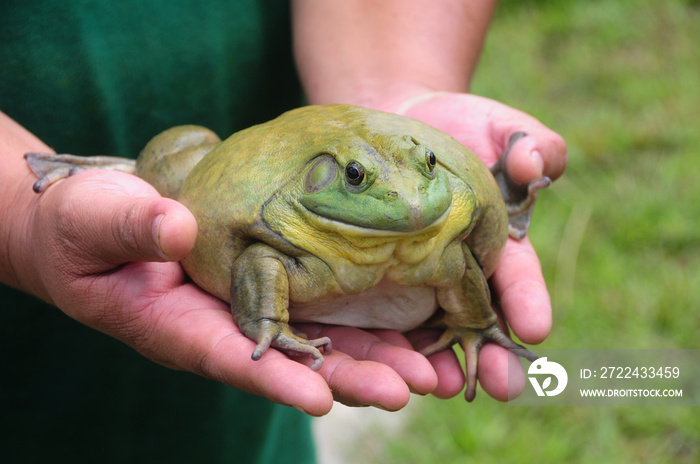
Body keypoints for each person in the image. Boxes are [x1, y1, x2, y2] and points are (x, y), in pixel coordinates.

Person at [0, 0, 567, 462]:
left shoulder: (437, 235)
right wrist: (18, 222)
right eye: (356, 180)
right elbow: (259, 260)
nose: (412, 203)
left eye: (426, 172)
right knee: (176, 162)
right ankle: (116, 169)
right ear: (330, 178)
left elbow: (457, 264)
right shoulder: (289, 228)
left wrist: (474, 322)